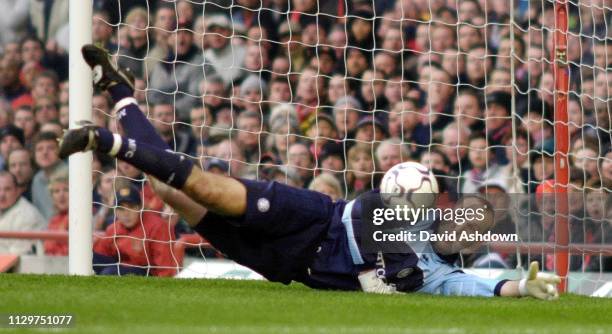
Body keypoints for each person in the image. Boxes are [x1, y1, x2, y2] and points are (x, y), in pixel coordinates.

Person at [60, 44, 560, 299]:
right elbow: (368, 209)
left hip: (291, 266)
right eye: (468, 216)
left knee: (172, 196)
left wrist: (524, 288)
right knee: (207, 188)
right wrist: (392, 260)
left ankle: (121, 95)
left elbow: (487, 289)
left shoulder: (442, 276)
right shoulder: (409, 213)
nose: (468, 227)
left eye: (478, 227)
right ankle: (106, 140)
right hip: (314, 218)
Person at [93, 185, 178, 277]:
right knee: (88, 258)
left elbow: (165, 267)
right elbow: (102, 254)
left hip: (148, 274)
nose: (126, 214)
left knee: (110, 272)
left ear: (140, 208)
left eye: (131, 207)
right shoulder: (113, 228)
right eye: (121, 209)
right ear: (115, 211)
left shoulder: (158, 227)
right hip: (121, 267)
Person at [0, 171, 46, 255]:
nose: (2, 194)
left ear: (17, 191)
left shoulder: (28, 214)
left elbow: (16, 256)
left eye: (7, 189)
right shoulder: (4, 208)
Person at [44, 168, 69, 256]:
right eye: (57, 191)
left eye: (66, 190)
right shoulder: (53, 220)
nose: (61, 195)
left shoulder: (79, 217)